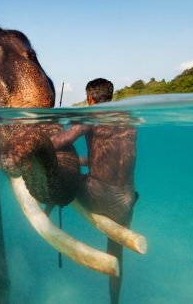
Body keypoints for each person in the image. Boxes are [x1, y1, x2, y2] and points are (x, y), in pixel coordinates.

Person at [51, 78, 138, 304]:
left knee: (62, 173)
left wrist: (41, 146)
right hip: (126, 201)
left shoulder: (91, 116)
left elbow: (60, 141)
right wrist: (78, 160)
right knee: (116, 254)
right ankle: (115, 301)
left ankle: (48, 209)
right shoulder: (128, 120)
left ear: (90, 98)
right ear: (111, 96)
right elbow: (104, 158)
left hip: (98, 196)